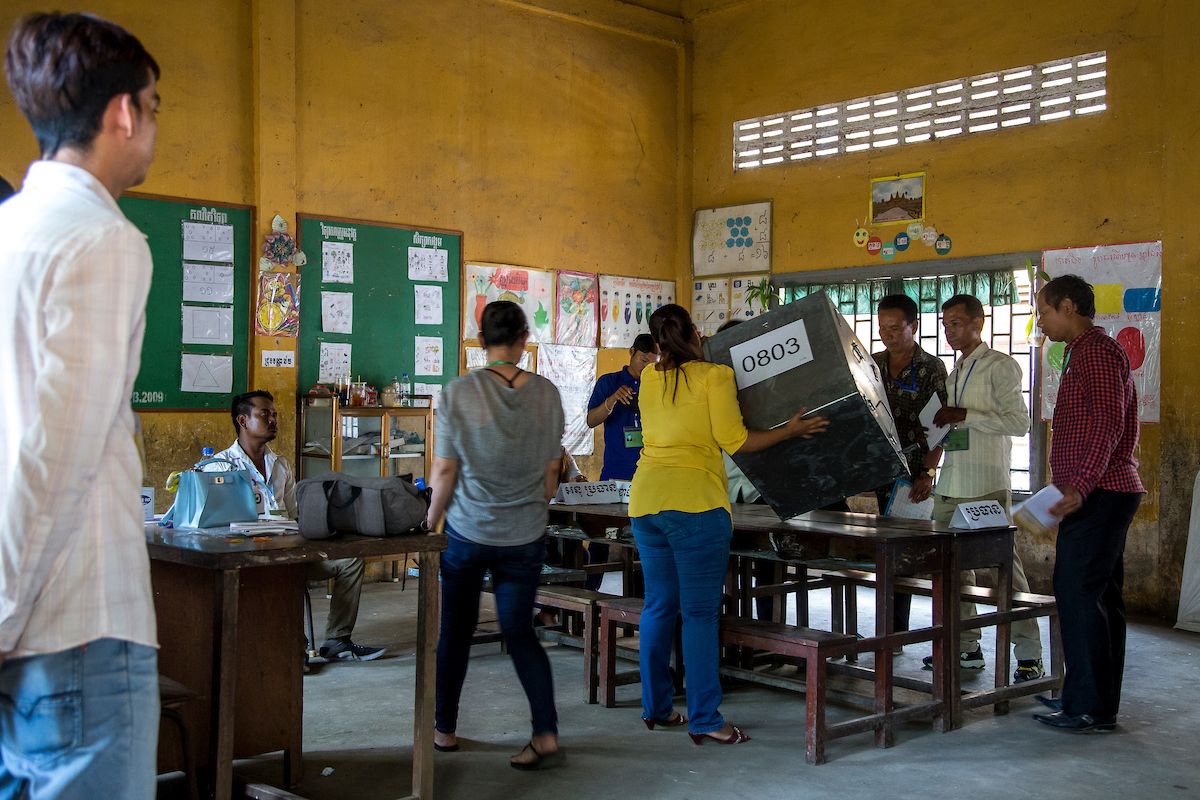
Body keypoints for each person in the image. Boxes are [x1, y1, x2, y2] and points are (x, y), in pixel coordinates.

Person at [0, 13, 161, 797]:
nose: (152, 125)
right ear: (122, 112)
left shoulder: (10, 227)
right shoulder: (103, 238)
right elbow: (55, 456)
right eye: (154, 106)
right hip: (76, 623)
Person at [629, 305, 828, 744]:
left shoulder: (647, 378)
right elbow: (738, 441)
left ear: (657, 343)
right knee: (700, 616)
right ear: (697, 334)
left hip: (646, 503)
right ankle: (705, 720)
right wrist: (790, 430)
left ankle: (656, 708)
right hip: (696, 506)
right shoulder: (713, 377)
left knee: (659, 606)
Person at [428, 301, 566, 770]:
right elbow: (552, 477)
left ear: (479, 336)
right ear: (525, 335)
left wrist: (431, 522)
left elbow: (445, 470)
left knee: (456, 634)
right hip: (525, 535)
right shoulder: (548, 394)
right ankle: (545, 733)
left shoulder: (457, 392)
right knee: (521, 632)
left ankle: (444, 729)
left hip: (466, 534)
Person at [1032, 275, 1143, 733]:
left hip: (1100, 492)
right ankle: (1092, 698)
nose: (1041, 321)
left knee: (1076, 593)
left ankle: (1087, 706)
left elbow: (1106, 423)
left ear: (1069, 306)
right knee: (1098, 597)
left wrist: (1077, 485)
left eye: (1044, 311)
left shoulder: (1097, 351)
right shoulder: (1082, 353)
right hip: (1104, 490)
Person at [921, 294, 1043, 682]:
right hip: (951, 483)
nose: (948, 329)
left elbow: (1018, 422)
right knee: (950, 569)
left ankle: (1028, 653)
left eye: (956, 322)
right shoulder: (955, 372)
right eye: (944, 323)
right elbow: (955, 428)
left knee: (1005, 569)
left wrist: (965, 415)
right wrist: (938, 443)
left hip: (986, 484)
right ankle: (967, 647)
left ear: (979, 323)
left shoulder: (999, 366)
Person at [216, 391, 384, 661]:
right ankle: (293, 647)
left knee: (351, 559)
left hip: (290, 553)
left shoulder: (280, 465)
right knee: (281, 575)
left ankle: (337, 641)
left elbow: (296, 517)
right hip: (249, 558)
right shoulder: (222, 466)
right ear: (242, 420)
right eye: (264, 414)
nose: (272, 420)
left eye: (274, 415)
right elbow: (217, 524)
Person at [870, 294, 948, 644]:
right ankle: (891, 626)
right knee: (886, 547)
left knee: (909, 549)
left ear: (913, 326)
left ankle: (911, 628)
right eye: (882, 327)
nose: (887, 334)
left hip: (916, 472)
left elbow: (940, 427)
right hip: (881, 468)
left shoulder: (932, 368)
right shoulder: (871, 365)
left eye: (895, 327)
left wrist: (928, 473)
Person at [584, 333, 658, 589]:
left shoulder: (658, 383)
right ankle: (590, 590)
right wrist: (613, 399)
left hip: (648, 478)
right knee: (599, 539)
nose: (646, 365)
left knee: (644, 542)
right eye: (642, 359)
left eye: (652, 361)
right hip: (614, 476)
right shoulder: (610, 381)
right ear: (631, 352)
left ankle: (640, 601)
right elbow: (591, 420)